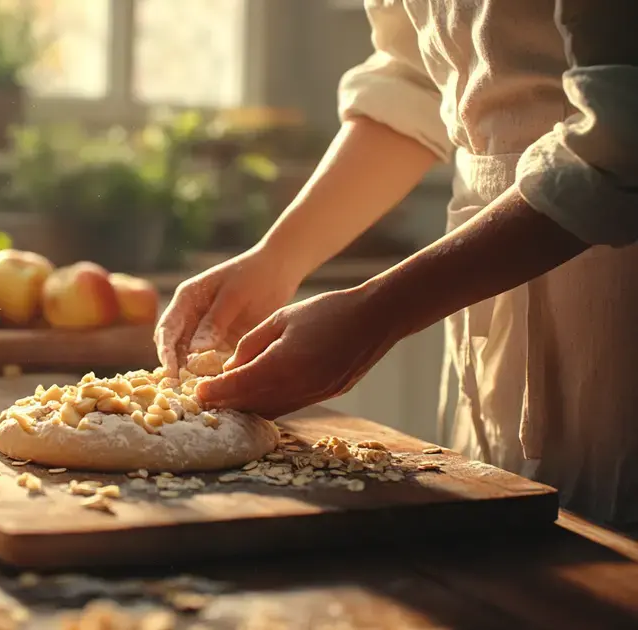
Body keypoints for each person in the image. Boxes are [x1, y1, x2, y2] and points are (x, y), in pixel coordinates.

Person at [155, 1, 638, 530]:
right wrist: (276, 259)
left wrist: (379, 311)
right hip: (481, 282)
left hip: (609, 286)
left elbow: (620, 133)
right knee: (496, 540)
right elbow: (415, 80)